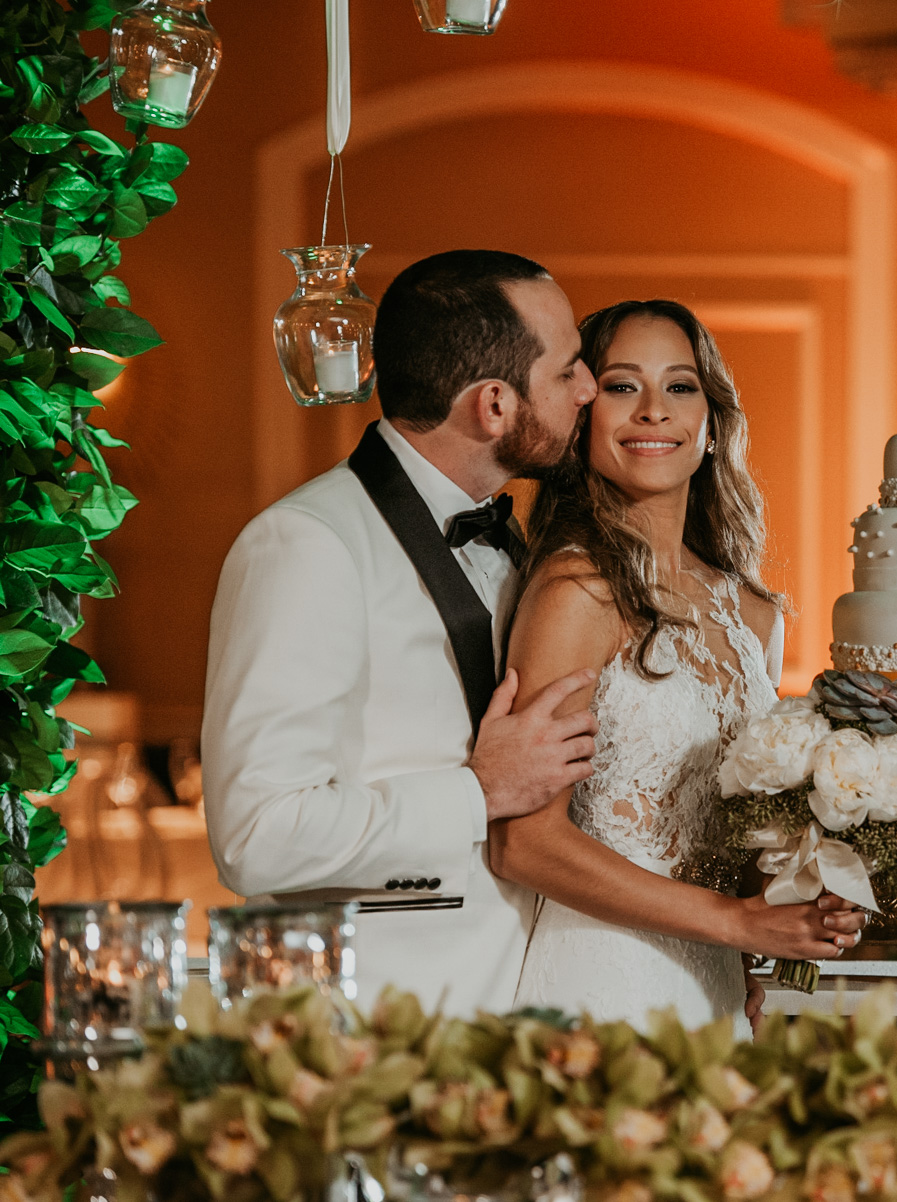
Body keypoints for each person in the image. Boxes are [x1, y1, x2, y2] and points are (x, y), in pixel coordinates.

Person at [202, 250, 599, 1014]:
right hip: (371, 1021)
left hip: (524, 1009)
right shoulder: (306, 543)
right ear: (494, 405)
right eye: (567, 370)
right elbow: (257, 835)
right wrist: (478, 791)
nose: (587, 389)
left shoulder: (526, 543)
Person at [492, 299, 865, 1031]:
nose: (654, 411)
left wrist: (810, 888)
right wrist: (736, 923)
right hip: (601, 987)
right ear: (581, 420)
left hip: (716, 988)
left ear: (713, 423)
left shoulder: (755, 616)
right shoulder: (576, 592)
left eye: (681, 386)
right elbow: (523, 842)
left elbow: (738, 837)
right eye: (623, 386)